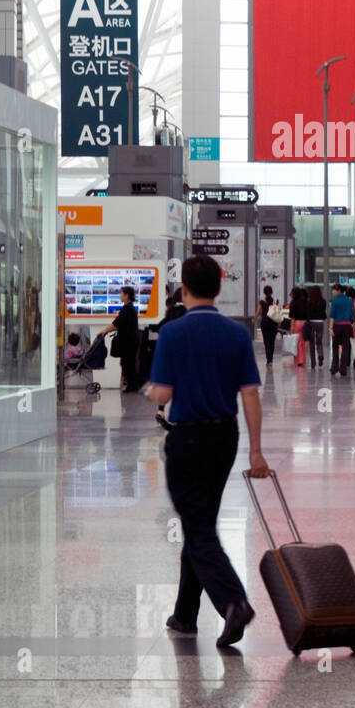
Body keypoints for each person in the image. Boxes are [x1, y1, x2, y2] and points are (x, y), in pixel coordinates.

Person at [146, 254, 269, 649]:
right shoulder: (236, 334)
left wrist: (151, 391)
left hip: (187, 439)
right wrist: (257, 452)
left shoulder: (172, 333)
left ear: (183, 290)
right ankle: (185, 615)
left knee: (197, 527)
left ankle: (234, 602)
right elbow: (250, 394)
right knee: (200, 523)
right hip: (225, 438)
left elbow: (162, 393)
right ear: (218, 288)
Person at [98, 284, 141, 392]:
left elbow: (116, 323)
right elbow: (118, 324)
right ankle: (132, 385)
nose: (120, 296)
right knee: (127, 363)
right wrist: (106, 330)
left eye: (121, 294)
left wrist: (104, 331)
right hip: (130, 341)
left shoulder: (127, 309)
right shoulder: (129, 308)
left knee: (128, 363)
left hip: (129, 342)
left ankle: (133, 386)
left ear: (127, 295)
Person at [154, 289, 187, 426]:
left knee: (168, 382)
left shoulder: (172, 311)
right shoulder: (187, 312)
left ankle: (160, 411)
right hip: (185, 352)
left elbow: (160, 327)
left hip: (170, 352)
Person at [328, 284, 354, 376]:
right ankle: (343, 369)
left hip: (337, 326)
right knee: (345, 348)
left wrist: (330, 328)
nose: (332, 292)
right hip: (347, 326)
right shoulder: (348, 300)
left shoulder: (335, 301)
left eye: (333, 290)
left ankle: (334, 367)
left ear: (338, 290)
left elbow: (332, 315)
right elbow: (352, 315)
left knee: (335, 347)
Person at [256, 284, 280, 366]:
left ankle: (268, 360)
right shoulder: (275, 301)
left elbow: (259, 312)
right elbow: (278, 311)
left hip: (265, 323)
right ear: (271, 292)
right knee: (272, 342)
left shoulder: (262, 301)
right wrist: (279, 323)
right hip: (273, 323)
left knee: (266, 342)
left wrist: (254, 319)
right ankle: (271, 359)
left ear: (264, 292)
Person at [287, 285, 309, 367]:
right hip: (305, 323)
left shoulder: (293, 302)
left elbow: (292, 316)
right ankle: (303, 359)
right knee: (303, 342)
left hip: (297, 323)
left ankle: (299, 360)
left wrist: (292, 326)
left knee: (297, 342)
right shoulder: (305, 302)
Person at [306, 284, 327, 368]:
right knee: (319, 341)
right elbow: (324, 311)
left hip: (311, 322)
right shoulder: (323, 301)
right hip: (320, 322)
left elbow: (307, 312)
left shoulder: (309, 301)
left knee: (311, 342)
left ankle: (313, 363)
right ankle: (320, 355)